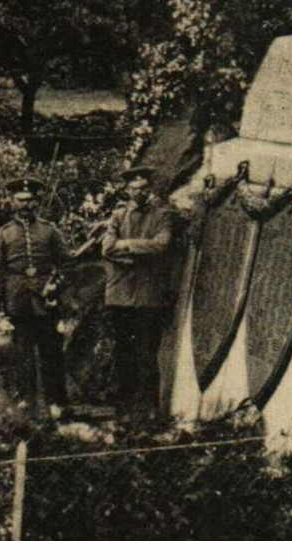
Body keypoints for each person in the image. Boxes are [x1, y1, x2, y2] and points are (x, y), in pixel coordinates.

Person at [0, 176, 70, 418]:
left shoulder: (49, 230)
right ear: (12, 202)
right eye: (21, 200)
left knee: (51, 353)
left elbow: (66, 265)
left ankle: (57, 402)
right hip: (18, 301)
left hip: (47, 302)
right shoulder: (3, 234)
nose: (26, 205)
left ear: (37, 203)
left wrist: (55, 285)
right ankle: (26, 401)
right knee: (23, 354)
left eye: (31, 200)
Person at [100, 165, 175, 417]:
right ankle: (125, 403)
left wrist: (127, 245)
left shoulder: (163, 214)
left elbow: (162, 245)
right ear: (127, 190)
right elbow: (107, 248)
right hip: (120, 294)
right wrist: (141, 249)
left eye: (143, 188)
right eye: (134, 188)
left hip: (149, 294)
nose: (139, 193)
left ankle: (148, 406)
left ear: (150, 188)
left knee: (147, 351)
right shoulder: (118, 216)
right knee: (123, 350)